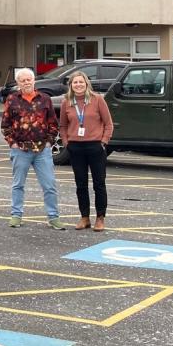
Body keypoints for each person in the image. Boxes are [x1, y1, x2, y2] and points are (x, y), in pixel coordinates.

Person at [0, 67, 65, 229]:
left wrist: (50, 142)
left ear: (34, 80)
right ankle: (16, 215)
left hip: (42, 150)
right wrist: (12, 143)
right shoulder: (11, 99)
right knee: (18, 185)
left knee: (49, 185)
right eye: (23, 80)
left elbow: (53, 123)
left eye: (29, 79)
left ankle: (53, 217)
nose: (26, 82)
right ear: (18, 83)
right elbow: (5, 125)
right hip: (20, 149)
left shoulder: (45, 99)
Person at [59, 71, 114, 231]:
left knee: (99, 184)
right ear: (71, 85)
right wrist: (66, 142)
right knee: (80, 184)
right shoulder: (66, 102)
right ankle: (84, 217)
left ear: (86, 84)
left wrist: (103, 142)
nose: (78, 85)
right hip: (75, 147)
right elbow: (62, 125)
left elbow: (108, 123)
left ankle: (100, 218)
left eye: (81, 82)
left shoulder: (98, 100)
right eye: (75, 82)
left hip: (95, 146)